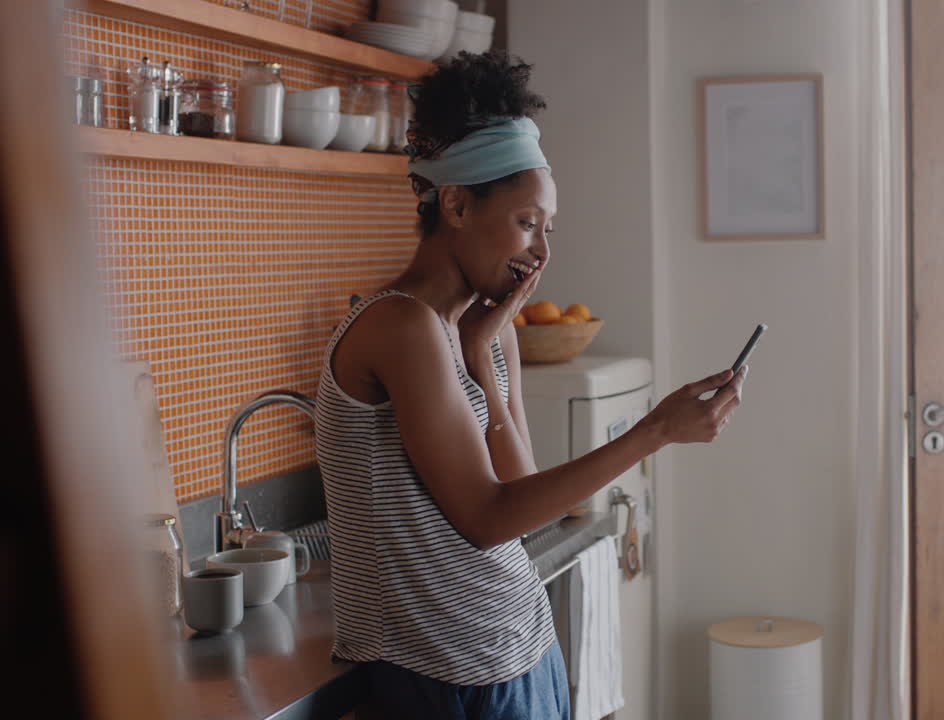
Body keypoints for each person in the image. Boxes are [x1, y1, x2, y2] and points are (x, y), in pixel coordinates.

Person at [314, 51, 748, 720]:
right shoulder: (397, 326)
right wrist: (655, 431)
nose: (542, 254)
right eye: (525, 223)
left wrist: (483, 351)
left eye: (548, 229)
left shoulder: (483, 332)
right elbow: (488, 518)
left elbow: (526, 498)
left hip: (521, 647)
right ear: (455, 203)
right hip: (448, 674)